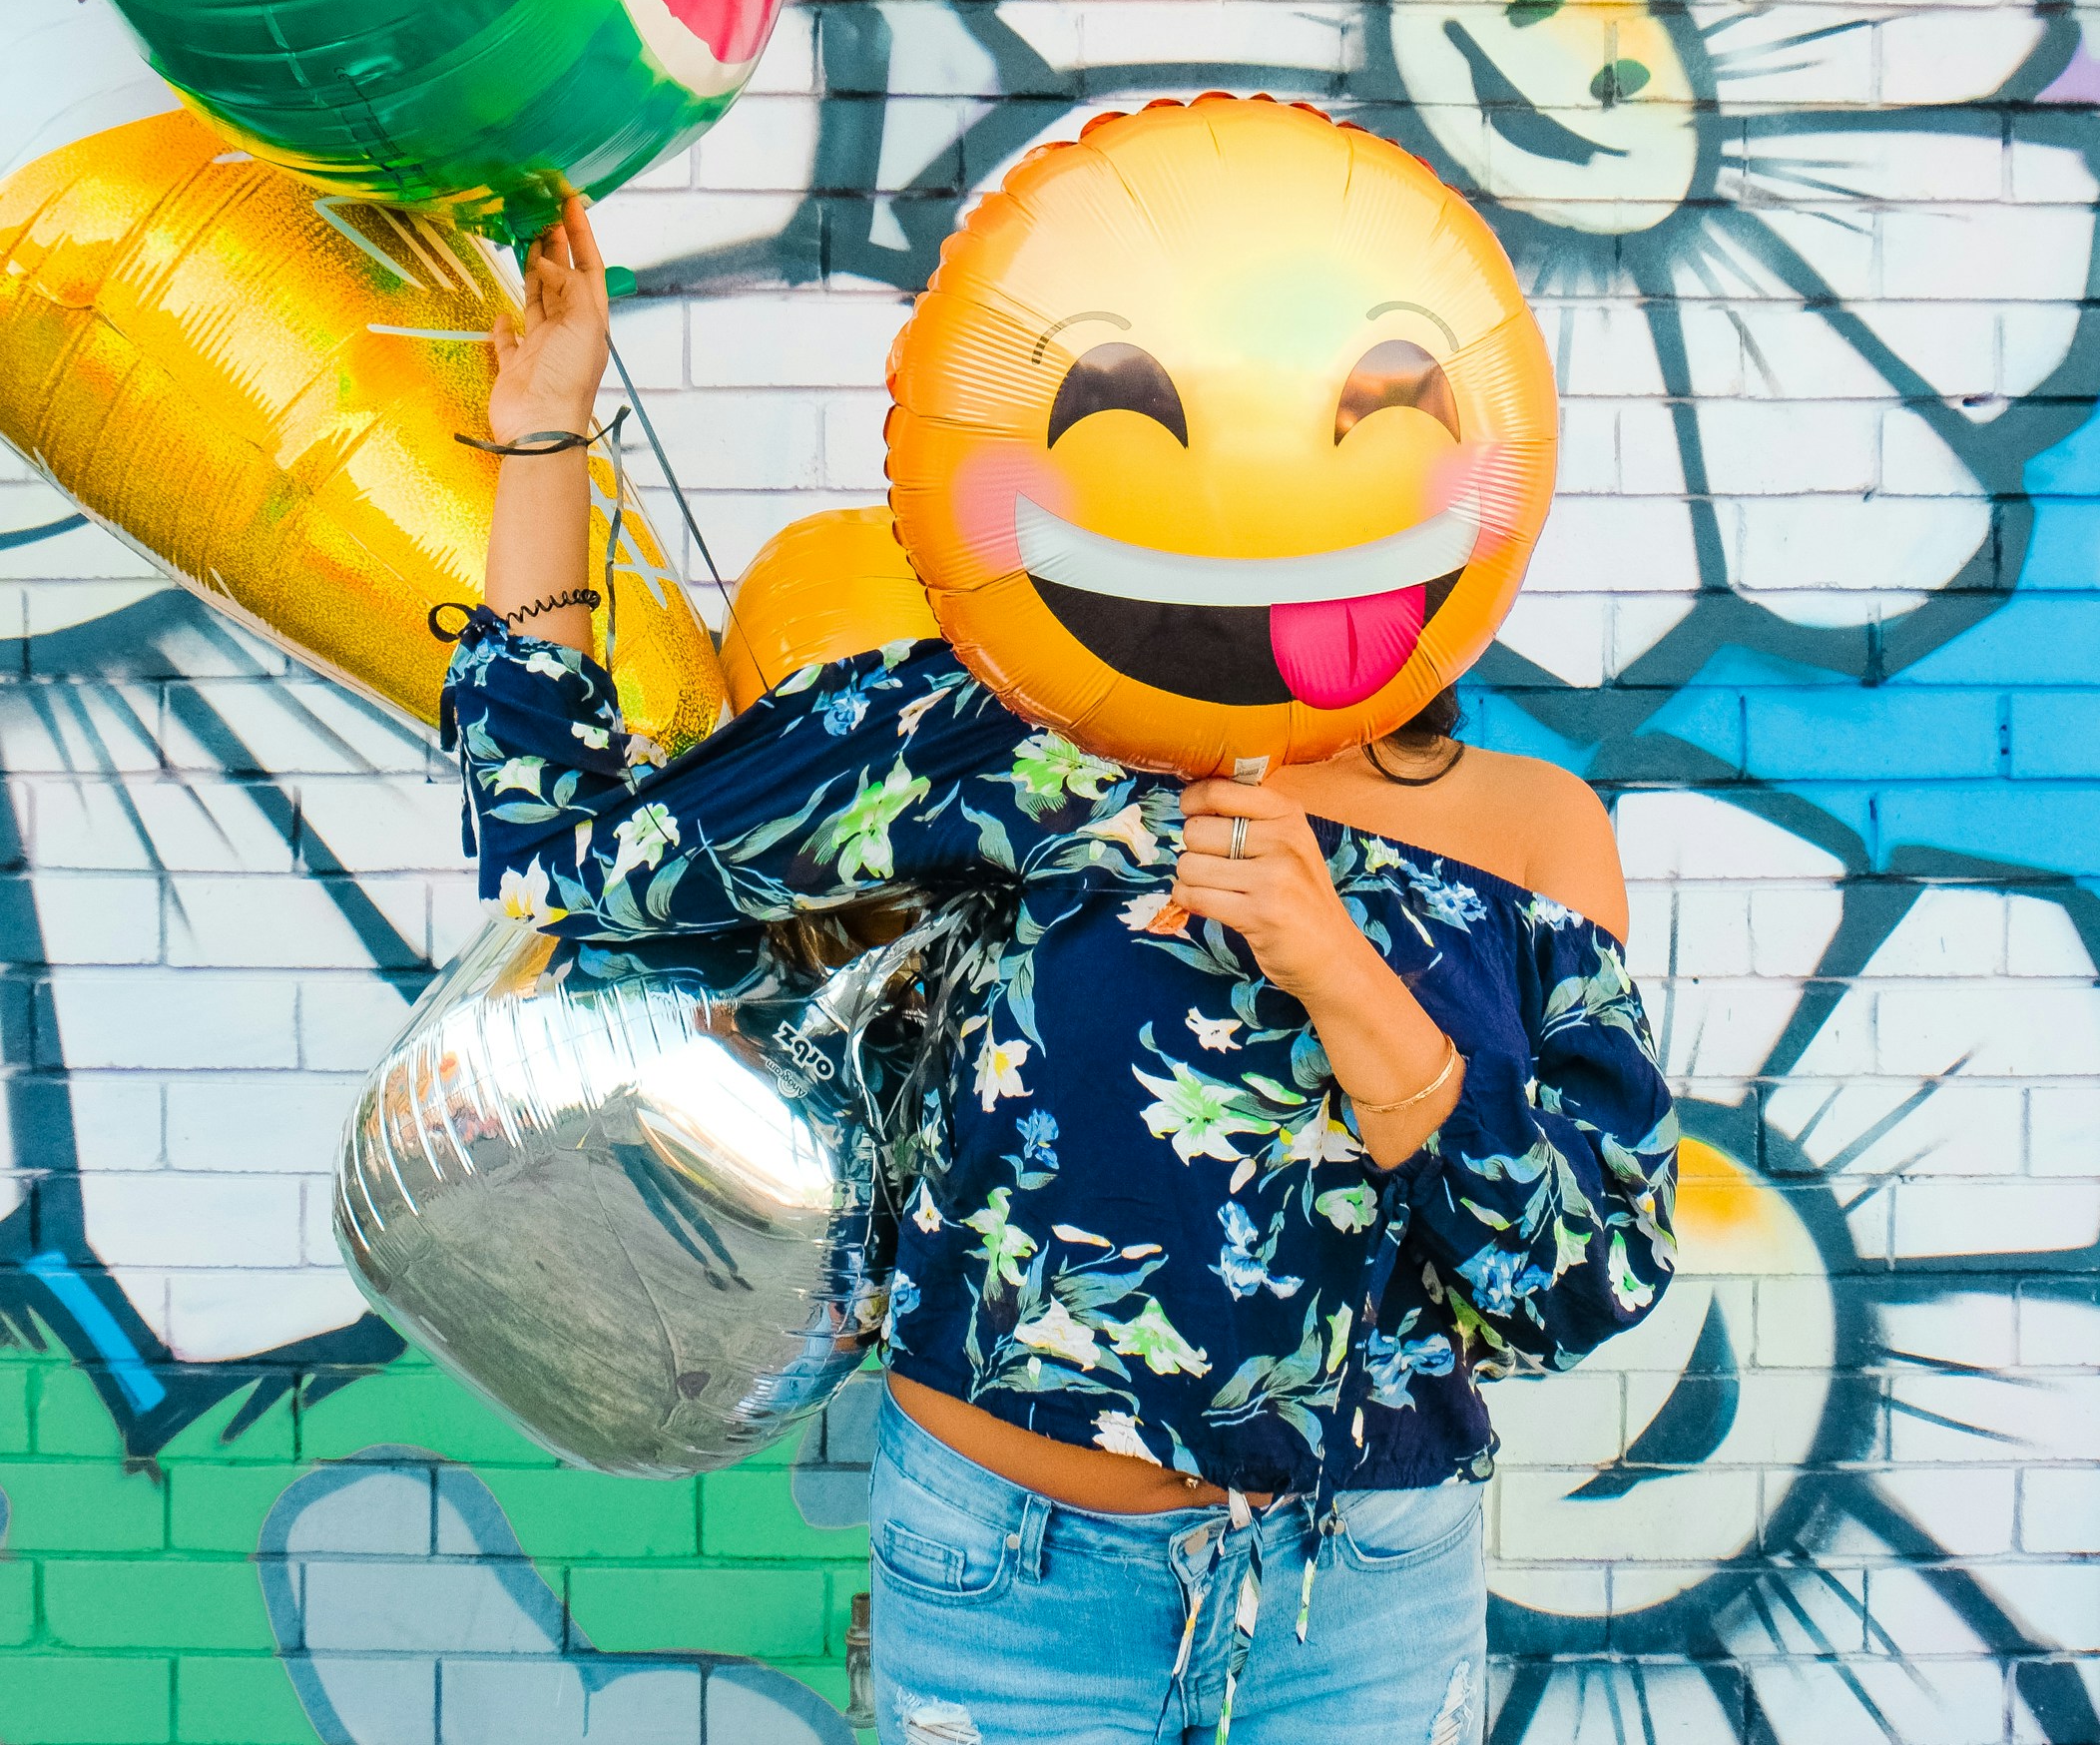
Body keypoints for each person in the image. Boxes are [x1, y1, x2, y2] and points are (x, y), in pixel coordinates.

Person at [447, 200, 1678, 1745]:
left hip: (1357, 1604)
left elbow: (1577, 1290)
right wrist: (546, 436)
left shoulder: (1529, 838)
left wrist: (1345, 972)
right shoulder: (1012, 735)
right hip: (1010, 1584)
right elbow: (585, 859)